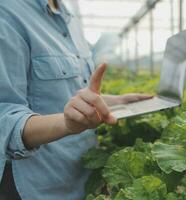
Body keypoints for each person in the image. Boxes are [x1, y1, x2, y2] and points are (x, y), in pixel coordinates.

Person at [0, 0, 152, 199]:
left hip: (80, 179)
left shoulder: (69, 18)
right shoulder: (7, 13)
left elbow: (67, 93)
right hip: (41, 188)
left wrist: (115, 102)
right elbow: (5, 117)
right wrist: (66, 124)